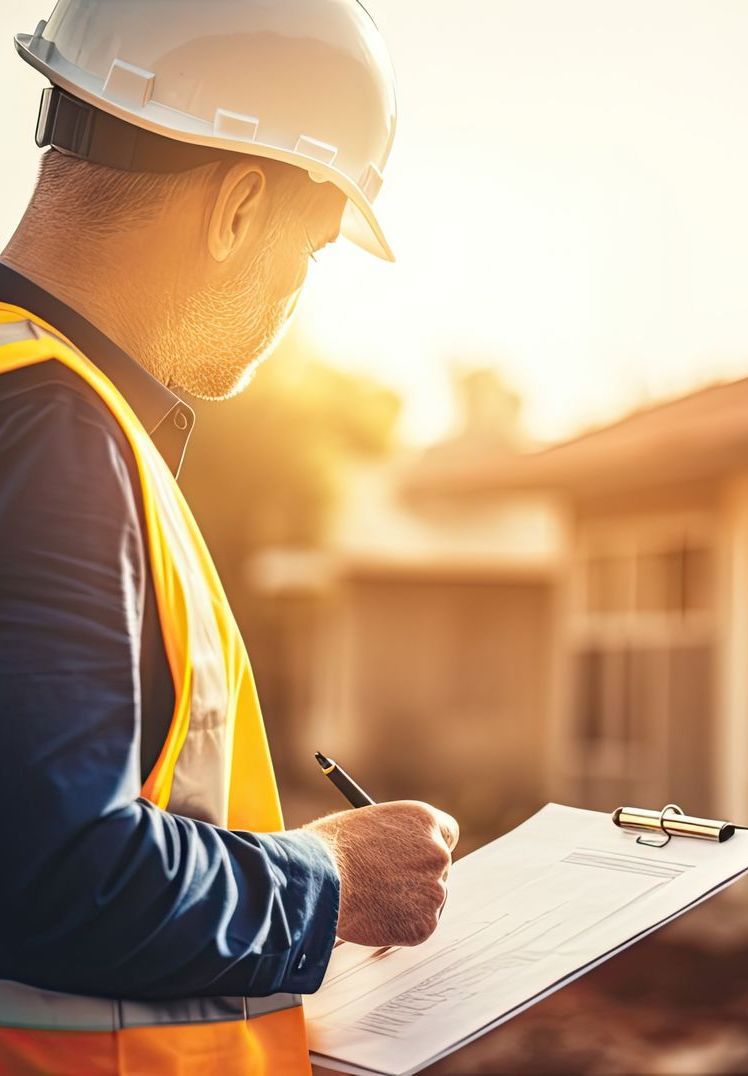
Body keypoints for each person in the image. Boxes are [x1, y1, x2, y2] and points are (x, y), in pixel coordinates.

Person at [0, 2, 457, 1073]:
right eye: (312, 248)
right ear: (239, 205)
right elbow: (48, 867)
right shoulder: (58, 433)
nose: (298, 294)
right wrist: (329, 875)